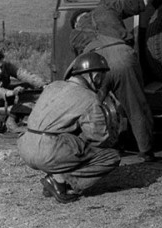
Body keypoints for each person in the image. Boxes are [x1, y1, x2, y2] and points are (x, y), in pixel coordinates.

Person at [17, 51, 121, 204]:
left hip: (25, 146)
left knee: (68, 142)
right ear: (95, 76)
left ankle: (54, 179)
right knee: (110, 156)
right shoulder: (89, 97)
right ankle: (61, 181)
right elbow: (98, 137)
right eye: (101, 76)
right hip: (48, 151)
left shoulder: (53, 86)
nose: (102, 80)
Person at [70, 0, 156, 161]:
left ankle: (94, 148)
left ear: (77, 22)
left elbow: (79, 63)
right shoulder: (106, 9)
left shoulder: (75, 33)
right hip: (122, 57)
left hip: (95, 66)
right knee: (136, 106)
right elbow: (142, 1)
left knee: (92, 106)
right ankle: (146, 152)